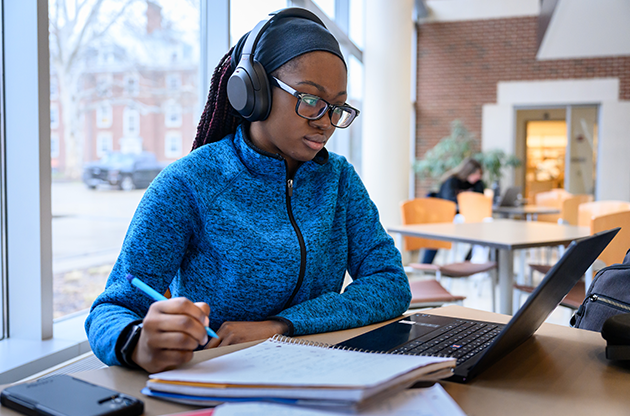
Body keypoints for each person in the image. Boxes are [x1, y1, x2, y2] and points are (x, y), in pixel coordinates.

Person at [85, 8, 411, 373]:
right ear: (253, 92)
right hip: (221, 377)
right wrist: (135, 341)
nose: (325, 123)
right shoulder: (188, 183)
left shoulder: (339, 180)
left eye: (336, 107)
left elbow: (390, 282)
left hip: (319, 370)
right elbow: (111, 309)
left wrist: (282, 326)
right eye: (309, 100)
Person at [421, 157, 485, 264]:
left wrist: (478, 185)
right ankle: (426, 264)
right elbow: (450, 202)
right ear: (468, 172)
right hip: (443, 217)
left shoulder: (476, 184)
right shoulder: (451, 181)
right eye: (476, 173)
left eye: (480, 174)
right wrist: (466, 198)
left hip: (465, 217)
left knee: (481, 228)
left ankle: (468, 262)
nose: (478, 177)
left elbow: (480, 200)